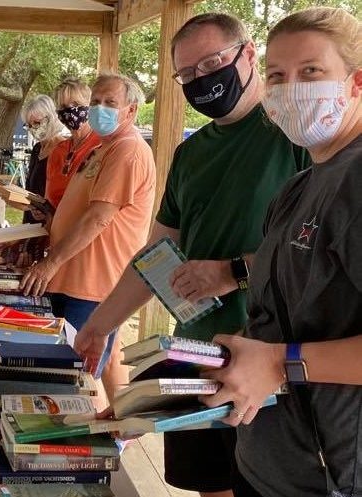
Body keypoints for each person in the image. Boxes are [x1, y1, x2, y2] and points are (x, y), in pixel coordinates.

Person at [73, 13, 310, 497]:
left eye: (213, 63)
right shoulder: (191, 153)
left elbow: (316, 254)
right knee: (209, 487)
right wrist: (100, 323)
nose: (202, 80)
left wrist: (232, 272)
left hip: (269, 365)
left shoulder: (297, 136)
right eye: (188, 74)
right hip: (195, 354)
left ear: (248, 54)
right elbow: (157, 256)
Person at [199, 8, 361, 497]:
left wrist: (278, 362)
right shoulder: (298, 187)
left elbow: (282, 355)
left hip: (326, 475)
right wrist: (240, 358)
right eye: (276, 76)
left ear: (355, 83)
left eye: (311, 72)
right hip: (266, 463)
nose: (291, 88)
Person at [20, 73, 155, 406]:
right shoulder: (103, 149)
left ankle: (96, 446)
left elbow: (98, 219)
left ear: (132, 110)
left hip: (93, 285)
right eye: (95, 101)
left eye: (110, 103)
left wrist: (50, 263)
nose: (99, 109)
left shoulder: (128, 151)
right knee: (72, 373)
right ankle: (118, 427)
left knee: (73, 384)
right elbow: (73, 209)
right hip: (72, 279)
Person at [46, 78, 102, 209]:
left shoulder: (101, 145)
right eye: (64, 107)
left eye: (75, 104)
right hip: (56, 226)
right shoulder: (58, 151)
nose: (70, 111)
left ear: (90, 105)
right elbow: (48, 198)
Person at [20, 95, 65, 224]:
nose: (32, 129)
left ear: (51, 118)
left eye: (37, 123)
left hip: (51, 224)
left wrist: (46, 212)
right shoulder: (37, 148)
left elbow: (64, 194)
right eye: (28, 125)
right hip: (30, 222)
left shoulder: (63, 148)